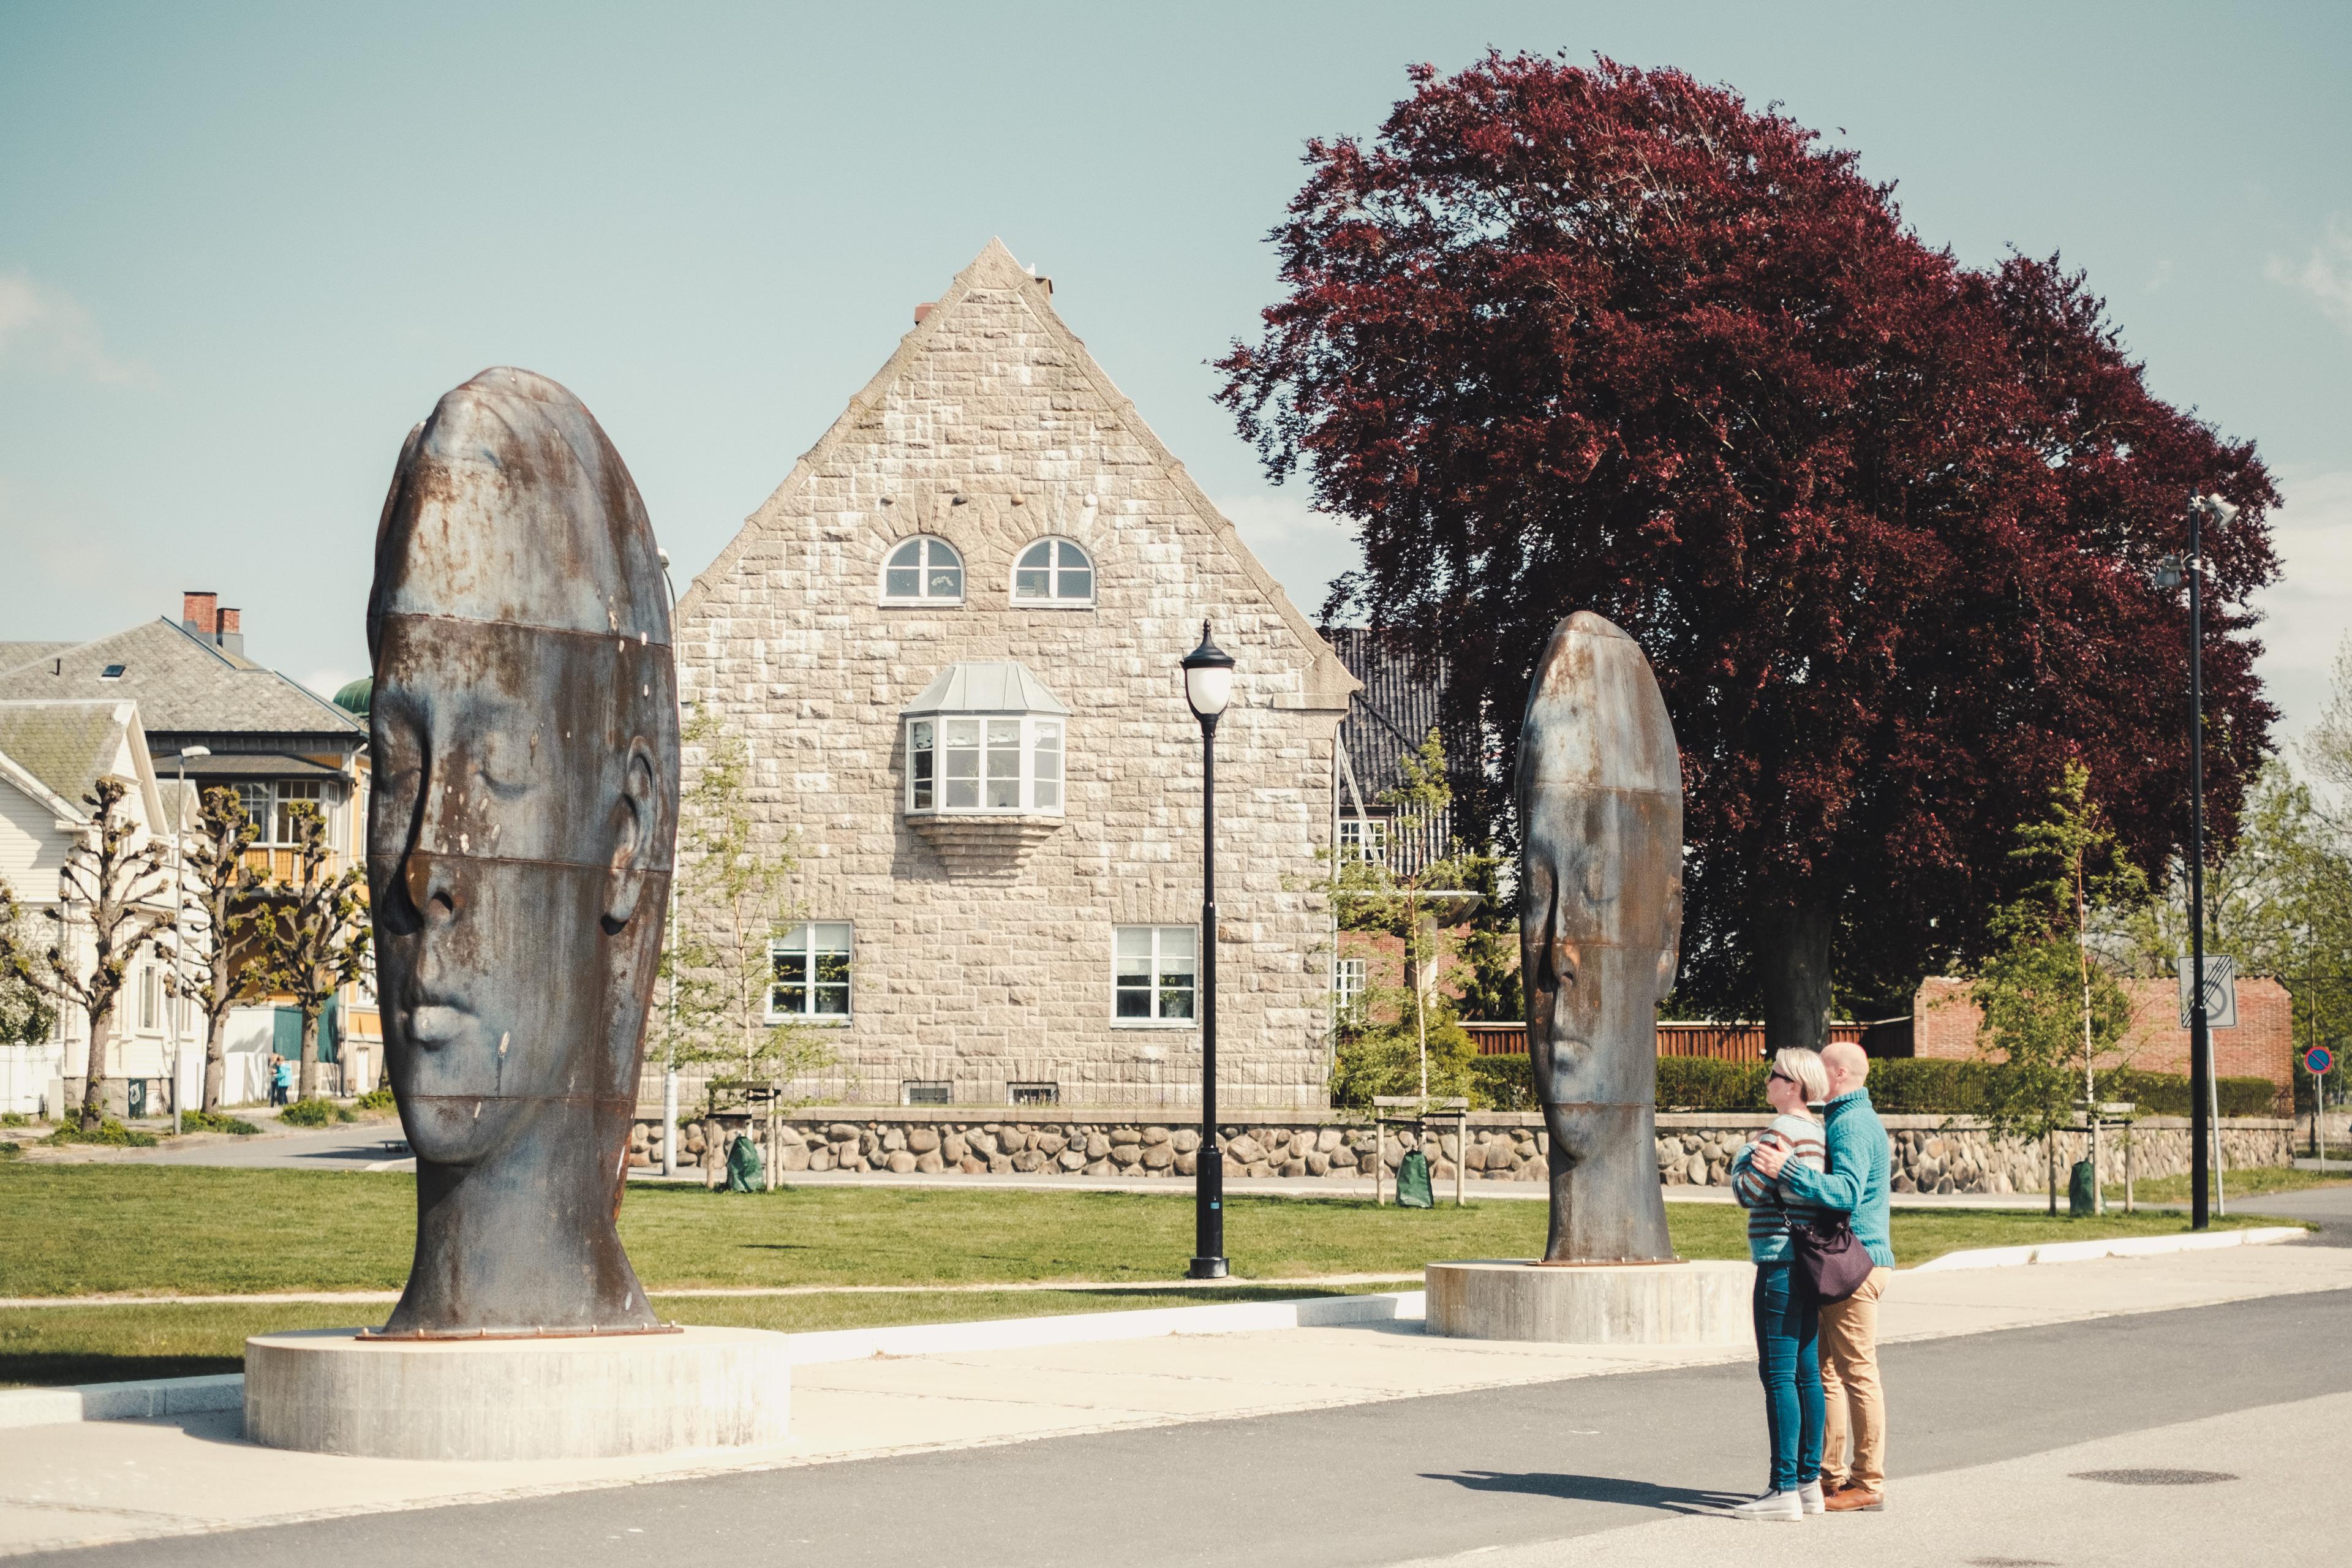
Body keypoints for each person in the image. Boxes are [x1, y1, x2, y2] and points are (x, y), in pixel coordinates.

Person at [1752, 1040, 1894, 1512]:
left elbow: (1847, 1193)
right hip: (1847, 1260)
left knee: (1855, 1372)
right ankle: (1826, 1477)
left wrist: (1788, 1167)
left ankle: (1867, 1480)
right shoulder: (1845, 1120)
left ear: (1836, 1076)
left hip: (1854, 1263)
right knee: (1826, 1373)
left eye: (1822, 1067)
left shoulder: (1852, 1124)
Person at [1727, 1047, 1832, 1521]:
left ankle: (1782, 1487)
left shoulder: (1782, 1131)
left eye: (1773, 1075)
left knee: (1778, 1375)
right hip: (1809, 1263)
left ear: (1792, 1085)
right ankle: (1810, 1483)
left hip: (1780, 1262)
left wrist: (1744, 1154)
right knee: (1806, 1373)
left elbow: (1747, 1193)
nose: (1766, 1080)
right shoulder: (1816, 1132)